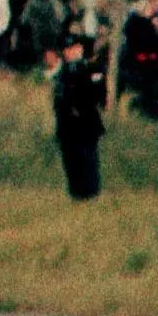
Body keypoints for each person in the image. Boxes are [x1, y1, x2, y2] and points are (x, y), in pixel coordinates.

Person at [52, 35, 109, 201]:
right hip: (67, 124)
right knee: (71, 160)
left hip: (86, 123)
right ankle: (75, 192)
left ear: (81, 50)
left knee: (88, 158)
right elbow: (58, 98)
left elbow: (98, 94)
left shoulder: (91, 69)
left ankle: (90, 192)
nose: (70, 52)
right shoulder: (61, 73)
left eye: (74, 49)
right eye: (67, 50)